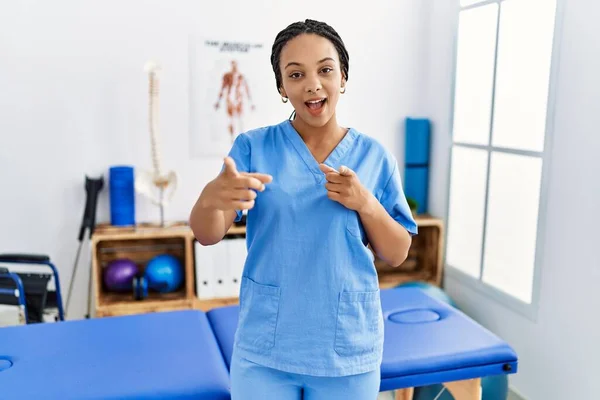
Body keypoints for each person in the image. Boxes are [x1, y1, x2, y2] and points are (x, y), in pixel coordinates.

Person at [190, 19, 417, 400]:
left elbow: (397, 253)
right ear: (282, 87)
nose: (312, 83)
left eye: (325, 70)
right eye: (296, 74)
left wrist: (365, 203)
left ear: (343, 76)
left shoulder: (375, 157)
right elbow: (207, 234)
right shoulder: (253, 148)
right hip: (266, 349)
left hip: (346, 351)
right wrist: (211, 198)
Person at [214, 60, 255, 143]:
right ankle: (232, 139)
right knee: (231, 119)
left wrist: (251, 103)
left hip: (238, 99)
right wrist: (218, 101)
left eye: (235, 65)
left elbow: (247, 90)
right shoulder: (227, 76)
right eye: (233, 65)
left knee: (240, 119)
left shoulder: (241, 77)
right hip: (230, 99)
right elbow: (222, 88)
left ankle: (241, 139)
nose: (234, 67)